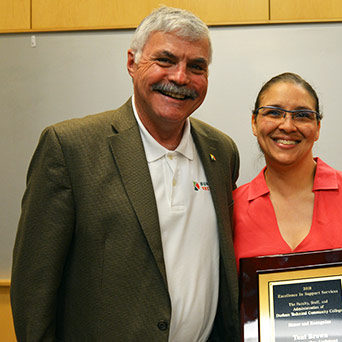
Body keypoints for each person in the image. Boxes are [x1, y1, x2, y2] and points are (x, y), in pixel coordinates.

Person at [11, 6, 240, 342]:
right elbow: (34, 286)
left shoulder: (221, 151)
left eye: (196, 67)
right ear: (132, 63)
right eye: (165, 60)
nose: (180, 78)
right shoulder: (70, 148)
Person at [233, 72, 342, 341]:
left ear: (318, 127)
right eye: (273, 113)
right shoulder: (232, 207)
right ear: (254, 122)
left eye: (302, 115)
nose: (287, 125)